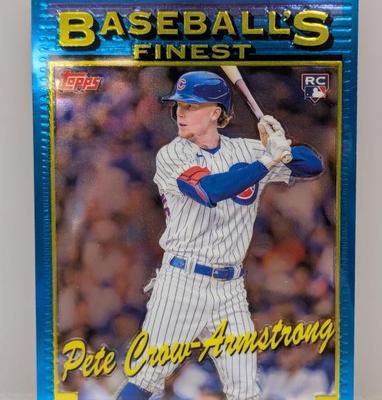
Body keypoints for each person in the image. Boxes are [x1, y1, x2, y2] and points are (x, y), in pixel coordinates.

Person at [116, 70, 323, 400]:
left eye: (190, 106)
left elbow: (313, 166)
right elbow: (211, 190)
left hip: (230, 289)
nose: (180, 112)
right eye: (179, 105)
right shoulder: (172, 154)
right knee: (146, 378)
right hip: (181, 282)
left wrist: (283, 143)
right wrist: (266, 160)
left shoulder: (247, 151)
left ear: (215, 112)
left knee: (246, 390)